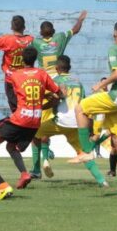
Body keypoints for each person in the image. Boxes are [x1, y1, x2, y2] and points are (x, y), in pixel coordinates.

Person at [0, 46, 62, 202]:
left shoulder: (16, 75)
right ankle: (24, 173)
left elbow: (14, 91)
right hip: (35, 121)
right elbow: (58, 94)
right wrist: (53, 99)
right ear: (35, 59)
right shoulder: (42, 74)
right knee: (11, 146)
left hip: (21, 118)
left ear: (22, 59)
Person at [71, 20, 117, 199]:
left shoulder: (114, 49)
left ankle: (87, 152)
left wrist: (100, 84)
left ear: (115, 34)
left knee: (80, 108)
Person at [30, 10, 87, 178]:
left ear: (41, 33)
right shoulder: (60, 38)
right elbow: (75, 30)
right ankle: (46, 158)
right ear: (53, 32)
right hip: (59, 84)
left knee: (38, 127)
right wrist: (80, 19)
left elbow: (25, 52)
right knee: (53, 119)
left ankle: (37, 167)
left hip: (44, 84)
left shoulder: (36, 42)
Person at [33, 55, 107, 186]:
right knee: (83, 153)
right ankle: (102, 181)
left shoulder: (55, 80)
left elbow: (55, 100)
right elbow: (84, 104)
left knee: (36, 134)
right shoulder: (78, 82)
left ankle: (42, 163)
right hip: (77, 123)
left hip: (60, 121)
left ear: (56, 68)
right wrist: (88, 126)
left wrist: (41, 107)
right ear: (70, 68)